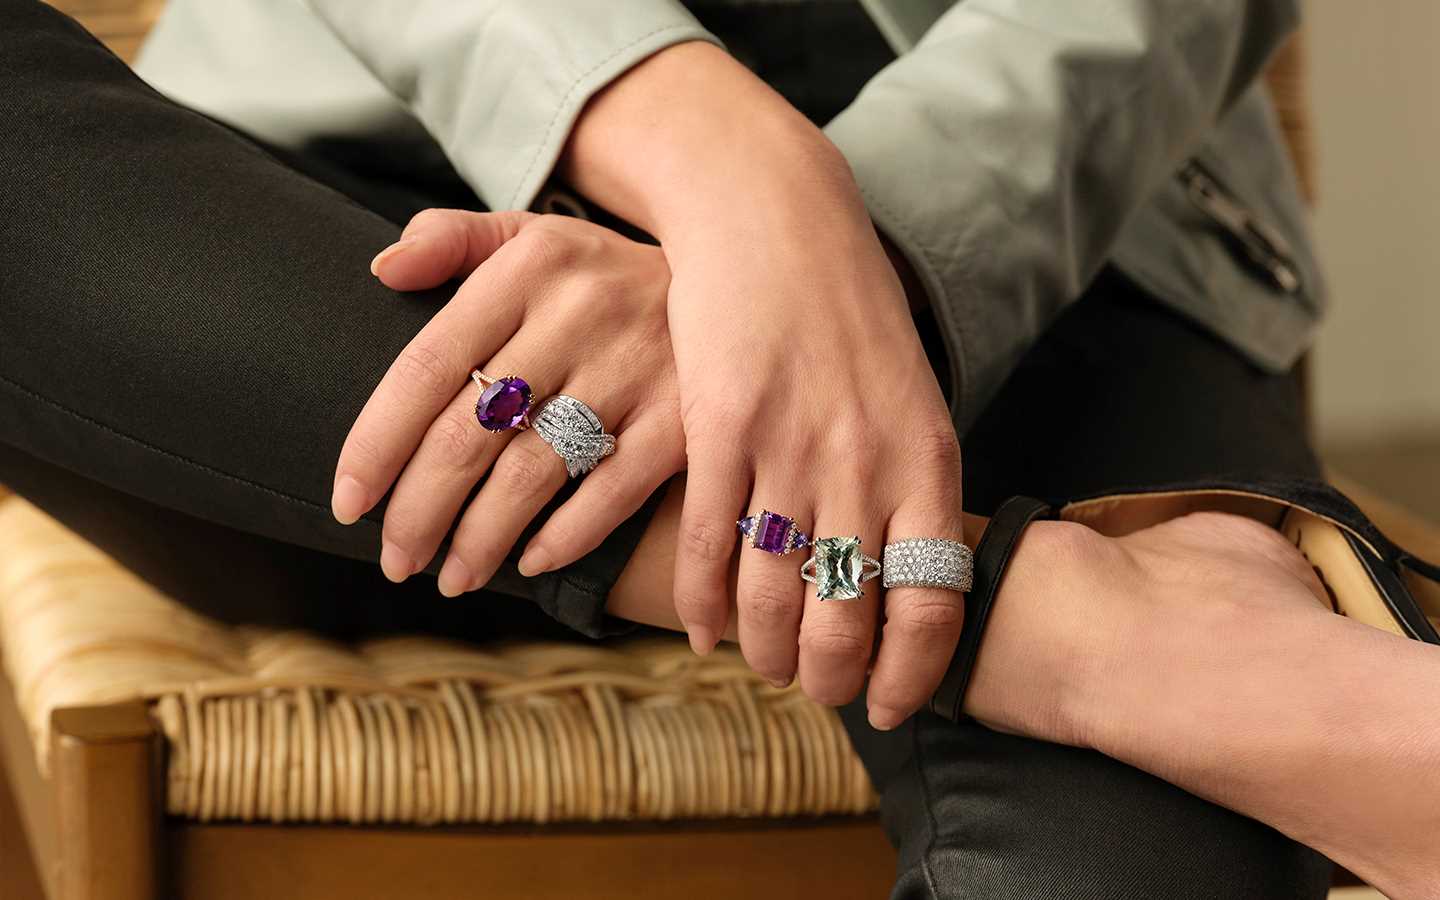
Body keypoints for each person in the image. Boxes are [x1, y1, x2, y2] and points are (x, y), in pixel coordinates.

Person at [4, 0, 1433, 896]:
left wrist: (859, 247)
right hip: (305, 288)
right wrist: (716, 154)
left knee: (1114, 865)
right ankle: (1069, 626)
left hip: (1053, 232)